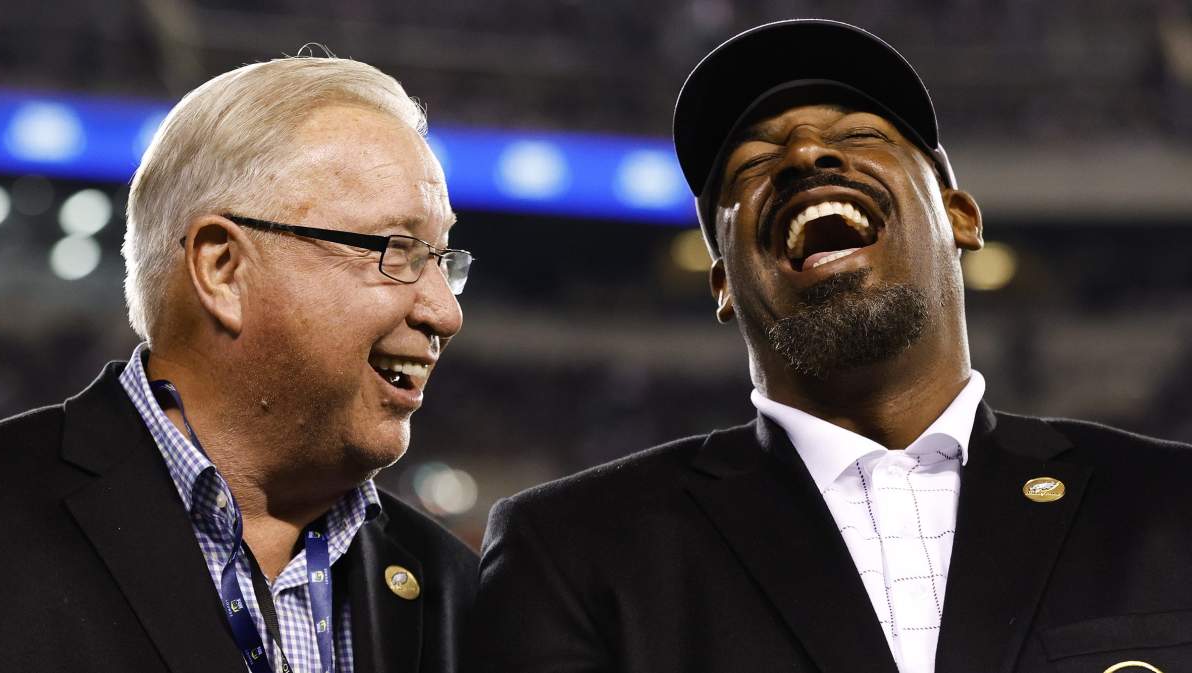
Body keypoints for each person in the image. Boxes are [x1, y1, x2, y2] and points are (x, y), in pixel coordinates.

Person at [467, 19, 1192, 673]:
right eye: (751, 164)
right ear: (722, 284)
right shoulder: (572, 549)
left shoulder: (1168, 502)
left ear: (961, 218)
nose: (805, 153)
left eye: (859, 135)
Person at [0, 56, 476, 673]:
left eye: (442, 261)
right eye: (396, 251)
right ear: (222, 269)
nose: (445, 313)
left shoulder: (455, 591)